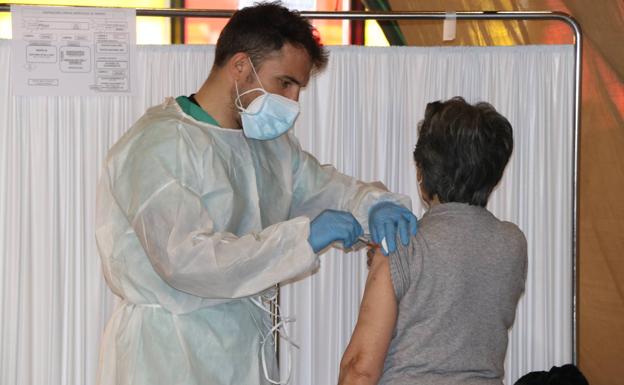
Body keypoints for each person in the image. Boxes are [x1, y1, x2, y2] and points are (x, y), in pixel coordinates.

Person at [95, 3, 417, 385]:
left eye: (298, 87)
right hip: (167, 355)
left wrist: (375, 205)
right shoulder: (158, 145)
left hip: (243, 351)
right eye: (285, 83)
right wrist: (301, 240)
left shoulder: (270, 147)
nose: (293, 101)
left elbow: (327, 190)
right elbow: (186, 261)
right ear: (240, 67)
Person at [338, 97, 528, 385]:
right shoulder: (513, 243)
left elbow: (360, 369)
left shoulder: (400, 245)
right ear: (493, 175)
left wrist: (386, 260)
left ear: (422, 172)